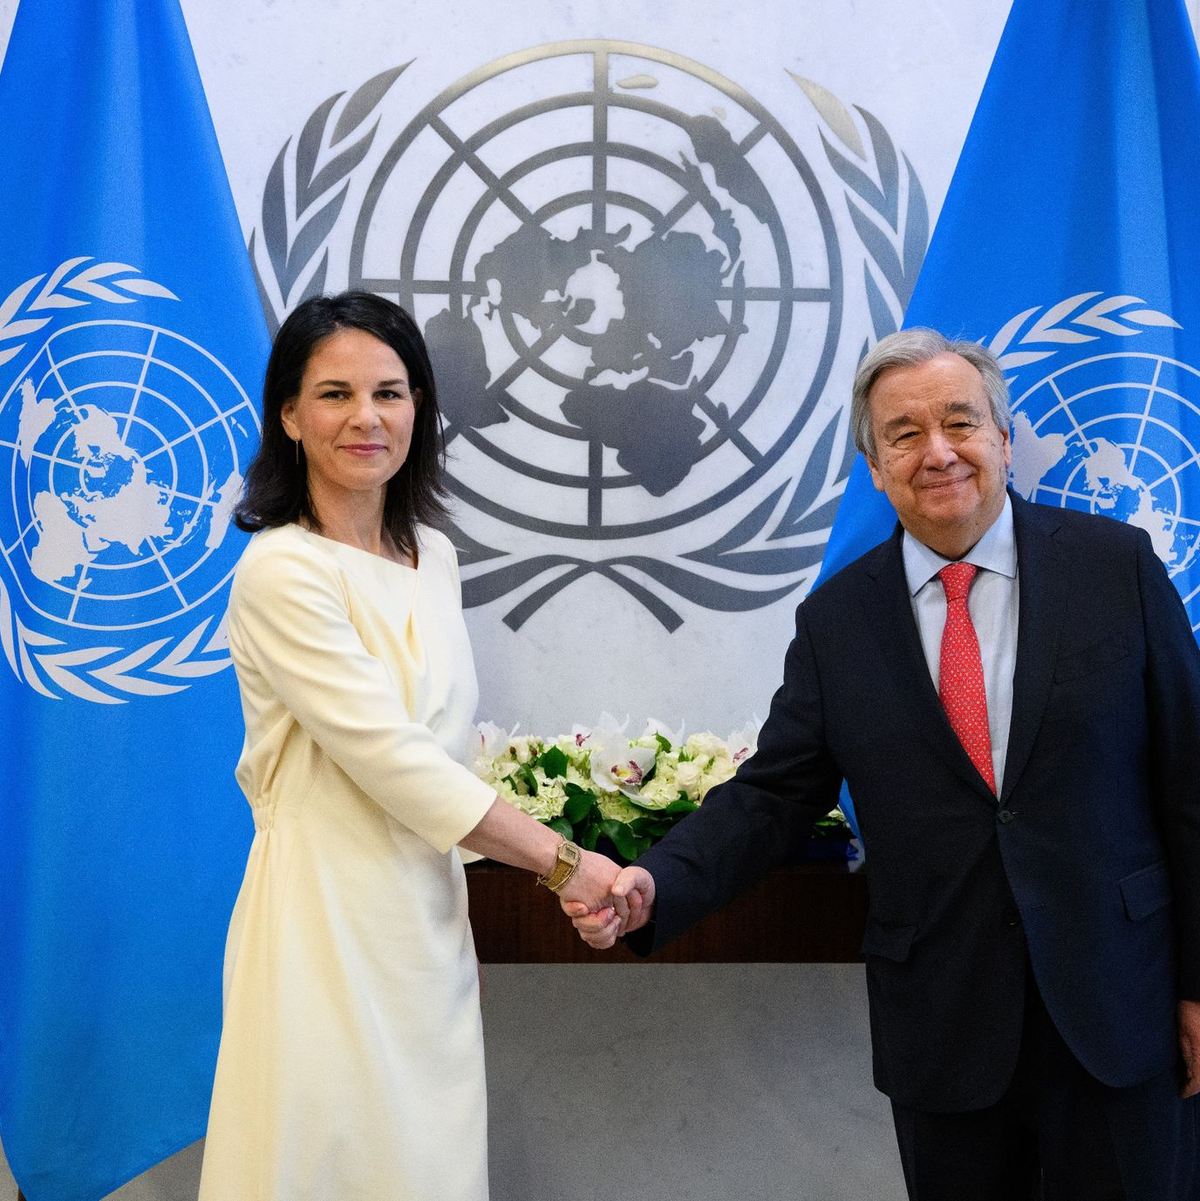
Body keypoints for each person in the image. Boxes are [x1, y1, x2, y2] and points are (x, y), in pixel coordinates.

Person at [567, 328, 1200, 1201]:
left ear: (1005, 439)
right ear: (875, 466)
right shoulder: (839, 620)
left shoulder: (1114, 566)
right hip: (945, 1025)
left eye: (960, 423)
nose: (937, 451)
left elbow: (1190, 784)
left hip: (1119, 1008)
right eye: (904, 434)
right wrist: (656, 883)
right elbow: (773, 796)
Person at [198, 291, 624, 1201]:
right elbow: (397, 763)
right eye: (335, 394)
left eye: (390, 392)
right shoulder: (280, 570)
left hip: (426, 924)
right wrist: (567, 865)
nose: (366, 417)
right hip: (320, 922)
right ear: (289, 416)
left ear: (420, 408)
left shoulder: (433, 553)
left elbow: (441, 748)